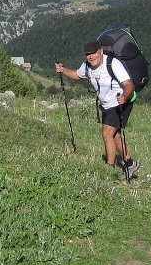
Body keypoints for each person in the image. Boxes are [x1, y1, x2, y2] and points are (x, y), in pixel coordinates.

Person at [55, 40, 141, 180]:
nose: (91, 56)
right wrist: (63, 70)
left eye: (94, 53)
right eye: (88, 54)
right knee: (114, 135)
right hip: (107, 105)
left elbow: (128, 84)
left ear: (101, 51)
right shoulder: (88, 66)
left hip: (121, 102)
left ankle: (109, 169)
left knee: (107, 133)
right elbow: (77, 75)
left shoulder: (113, 63)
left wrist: (124, 96)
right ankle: (130, 163)